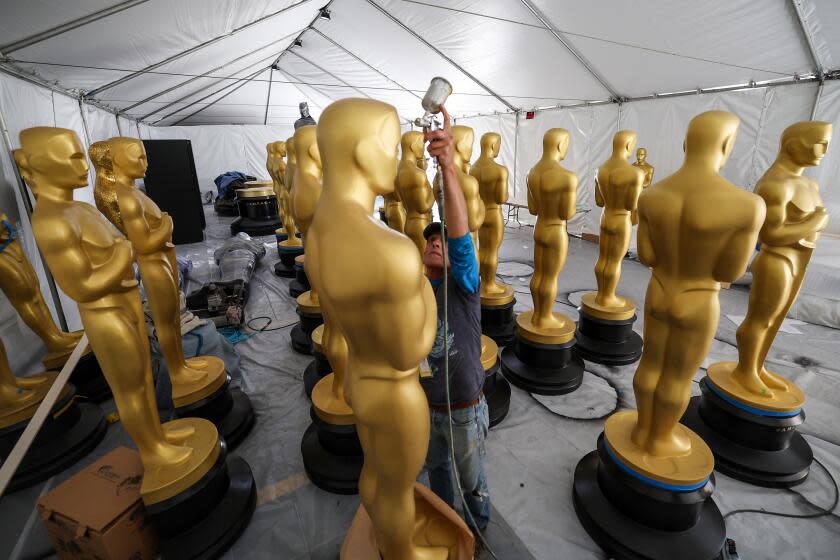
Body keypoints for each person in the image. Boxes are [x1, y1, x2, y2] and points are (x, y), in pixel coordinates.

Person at [420, 105, 491, 533]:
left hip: (464, 407)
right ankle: (451, 531)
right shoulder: (413, 291)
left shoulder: (462, 286)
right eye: (429, 240)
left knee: (472, 483)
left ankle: (478, 534)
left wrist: (447, 164)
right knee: (439, 477)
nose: (435, 244)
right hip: (426, 408)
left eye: (440, 241)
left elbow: (460, 234)